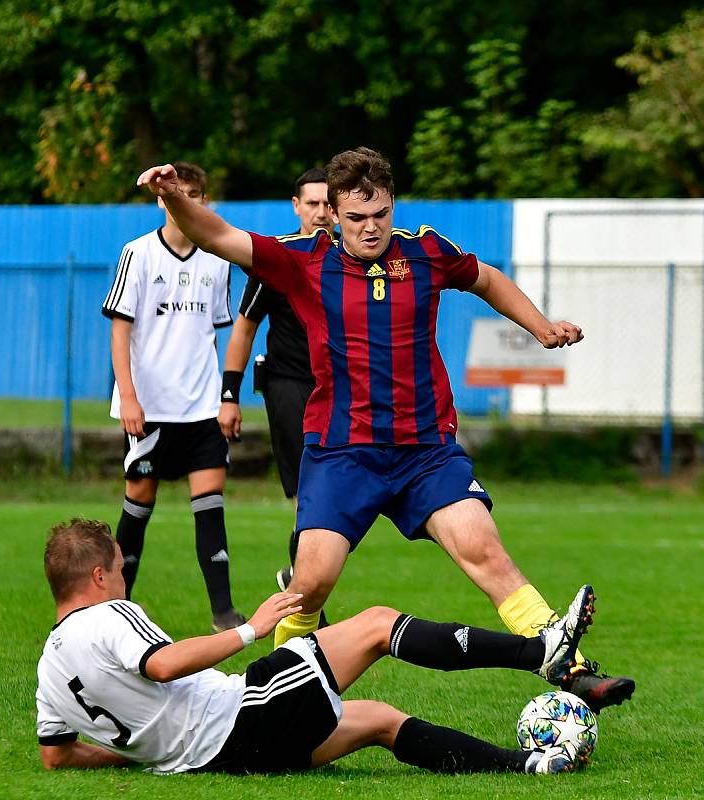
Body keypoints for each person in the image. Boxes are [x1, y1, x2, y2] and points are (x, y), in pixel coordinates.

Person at [135, 148, 635, 712]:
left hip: (426, 451)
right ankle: (275, 699)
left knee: (482, 546)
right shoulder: (303, 260)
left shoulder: (425, 251)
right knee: (311, 583)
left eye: (380, 214)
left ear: (392, 205)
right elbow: (218, 236)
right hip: (342, 452)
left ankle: (567, 664)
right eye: (357, 218)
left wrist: (540, 327)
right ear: (335, 214)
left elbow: (487, 279)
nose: (371, 228)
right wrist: (174, 196)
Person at [37, 519, 595, 776]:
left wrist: (141, 755)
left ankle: (533, 766)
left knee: (379, 720)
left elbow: (56, 755)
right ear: (98, 576)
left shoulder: (48, 671)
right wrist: (250, 629)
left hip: (222, 759)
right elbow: (161, 665)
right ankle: (539, 651)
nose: (124, 576)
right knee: (377, 624)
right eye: (119, 568)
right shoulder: (108, 617)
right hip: (242, 717)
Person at [101, 161, 245, 633]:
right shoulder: (138, 254)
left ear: (204, 200)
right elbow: (120, 331)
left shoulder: (219, 259)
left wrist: (227, 398)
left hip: (202, 407)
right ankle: (117, 610)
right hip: (150, 408)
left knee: (211, 503)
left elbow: (213, 335)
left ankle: (223, 614)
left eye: (196, 193)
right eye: (178, 192)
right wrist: (128, 397)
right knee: (139, 503)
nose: (186, 200)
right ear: (163, 200)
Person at [217, 168, 332, 586]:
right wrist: (229, 394)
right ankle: (304, 595)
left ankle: (297, 577)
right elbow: (244, 328)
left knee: (340, 496)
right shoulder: (279, 260)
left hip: (339, 391)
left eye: (328, 204)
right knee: (312, 493)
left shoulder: (350, 259)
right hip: (290, 386)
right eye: (313, 204)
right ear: (297, 206)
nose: (321, 213)